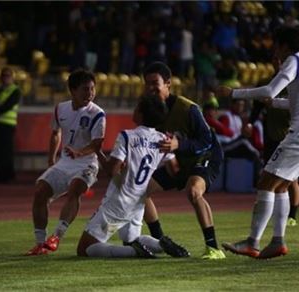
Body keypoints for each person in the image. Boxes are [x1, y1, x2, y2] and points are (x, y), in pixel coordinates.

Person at [217, 25, 299, 259]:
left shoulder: (293, 61)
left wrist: (234, 93)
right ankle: (277, 241)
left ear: (285, 45)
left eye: (277, 44)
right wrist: (274, 104)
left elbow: (270, 90)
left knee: (265, 181)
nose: (275, 49)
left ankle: (252, 242)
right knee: (282, 186)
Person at [77, 96, 189, 258]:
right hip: (138, 201)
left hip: (119, 201)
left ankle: (133, 252)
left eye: (137, 108)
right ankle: (160, 244)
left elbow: (111, 170)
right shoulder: (163, 140)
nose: (134, 110)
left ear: (141, 115)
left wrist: (97, 150)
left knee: (84, 249)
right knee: (131, 239)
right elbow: (174, 171)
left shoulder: (127, 136)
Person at [143, 61, 226, 259]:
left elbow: (206, 140)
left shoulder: (188, 108)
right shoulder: (150, 110)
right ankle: (161, 242)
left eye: (155, 82)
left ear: (168, 84)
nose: (150, 88)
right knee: (140, 191)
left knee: (193, 191)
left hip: (205, 155)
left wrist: (179, 144)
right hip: (178, 159)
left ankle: (214, 248)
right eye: (147, 83)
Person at [26, 69, 105, 256]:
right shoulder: (60, 108)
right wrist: (51, 159)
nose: (90, 94)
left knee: (75, 189)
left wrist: (79, 152)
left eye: (93, 89)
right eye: (86, 89)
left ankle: (57, 236)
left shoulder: (98, 113)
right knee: (40, 190)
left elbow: (97, 144)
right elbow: (55, 133)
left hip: (87, 163)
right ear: (73, 90)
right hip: (65, 163)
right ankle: (40, 244)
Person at [249, 56, 299, 226]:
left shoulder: (293, 83)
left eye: (282, 61)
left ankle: (292, 216)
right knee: (269, 175)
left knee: (291, 179)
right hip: (270, 135)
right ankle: (272, 212)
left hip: (288, 135)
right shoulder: (266, 82)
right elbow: (257, 106)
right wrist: (250, 122)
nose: (278, 63)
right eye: (276, 60)